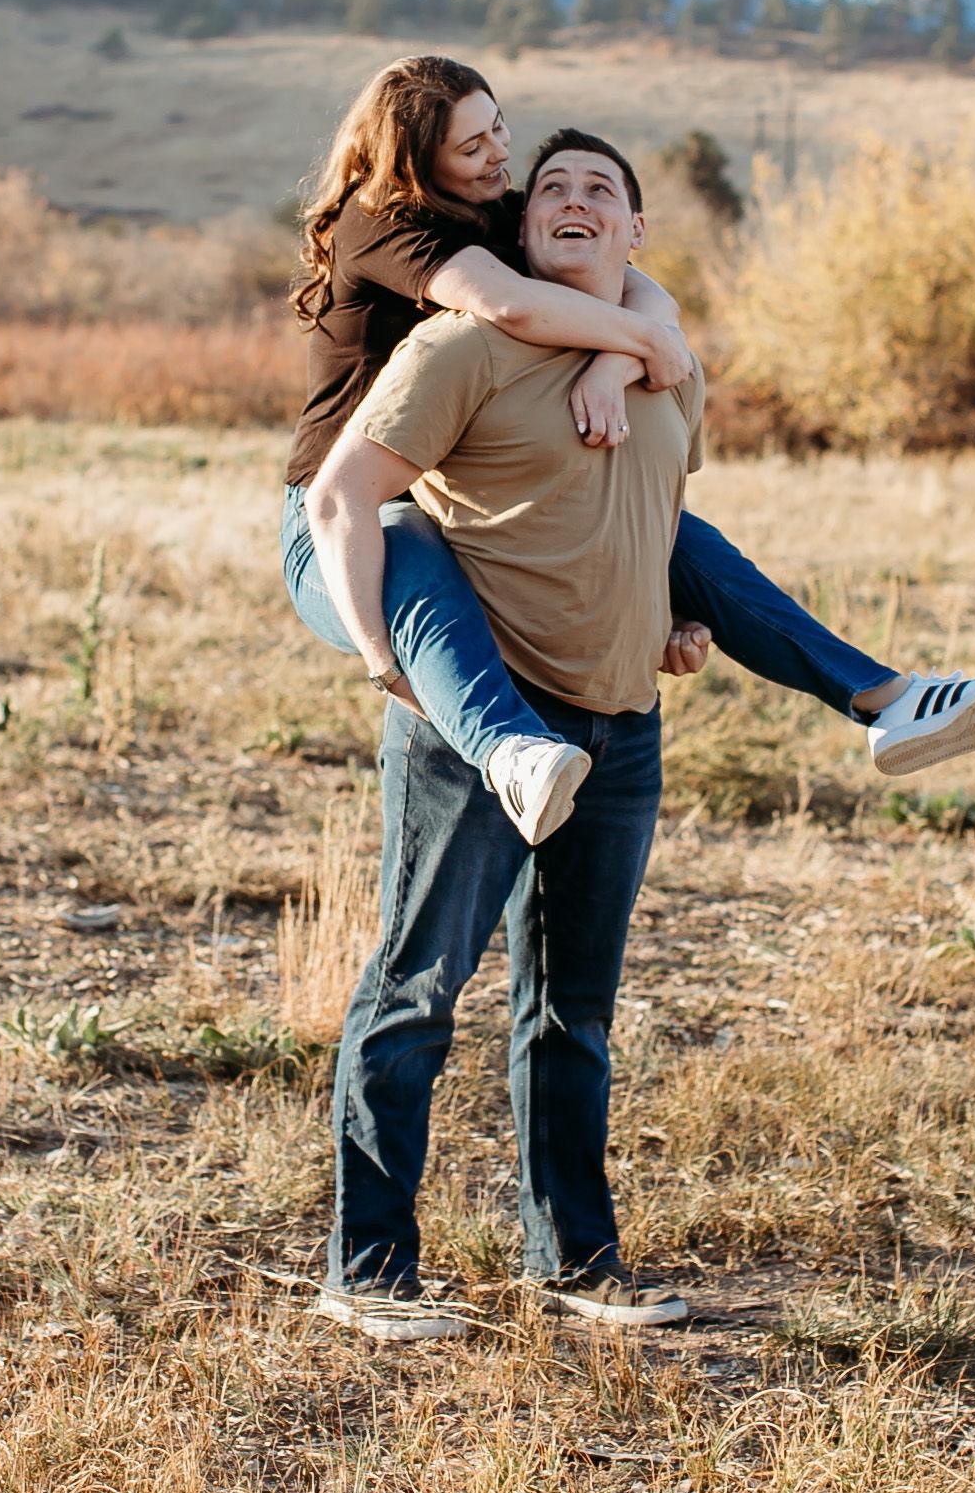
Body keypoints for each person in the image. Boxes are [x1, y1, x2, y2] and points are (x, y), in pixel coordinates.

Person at [280, 53, 975, 851]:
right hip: (342, 516)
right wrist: (382, 663)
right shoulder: (385, 221)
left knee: (680, 539)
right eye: (471, 148)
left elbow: (649, 296)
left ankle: (889, 700)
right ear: (416, 160)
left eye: (498, 126)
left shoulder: (496, 210)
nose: (500, 154)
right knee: (413, 550)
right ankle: (509, 749)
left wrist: (616, 365)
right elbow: (508, 303)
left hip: (464, 497)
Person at [305, 131, 718, 1339]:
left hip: (622, 729)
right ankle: (367, 1271)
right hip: (479, 727)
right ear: (524, 232)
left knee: (572, 1012)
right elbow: (348, 495)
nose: (578, 201)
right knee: (418, 990)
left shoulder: (670, 367)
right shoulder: (460, 346)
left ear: (636, 236)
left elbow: (660, 512)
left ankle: (577, 1264)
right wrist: (389, 655)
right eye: (554, 191)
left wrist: (677, 617)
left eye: (605, 191)